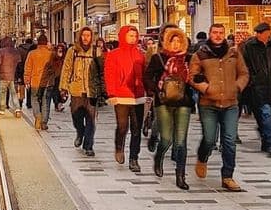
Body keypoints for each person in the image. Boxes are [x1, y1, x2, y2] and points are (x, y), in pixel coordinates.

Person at [189, 23, 249, 191]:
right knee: (209, 139)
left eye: (220, 32)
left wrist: (237, 87)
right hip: (208, 103)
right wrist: (205, 88)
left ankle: (228, 176)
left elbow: (244, 73)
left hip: (230, 103)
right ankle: (202, 157)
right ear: (209, 34)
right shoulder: (200, 54)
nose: (217, 35)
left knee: (229, 141)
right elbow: (192, 76)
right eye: (214, 32)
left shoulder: (234, 53)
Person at [143, 26, 192, 190]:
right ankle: (159, 156)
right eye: (173, 41)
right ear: (167, 42)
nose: (177, 44)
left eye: (179, 41)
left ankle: (180, 175)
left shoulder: (188, 59)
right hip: (163, 102)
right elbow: (148, 77)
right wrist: (157, 90)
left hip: (183, 102)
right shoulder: (159, 58)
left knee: (181, 141)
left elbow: (197, 76)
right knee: (166, 139)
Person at [239, 22, 271, 158]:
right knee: (266, 114)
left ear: (267, 33)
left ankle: (265, 139)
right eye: (257, 33)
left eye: (260, 33)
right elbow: (244, 65)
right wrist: (252, 80)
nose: (258, 35)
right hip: (258, 88)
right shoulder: (250, 46)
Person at [104, 25, 147, 173]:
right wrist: (111, 93)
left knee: (136, 129)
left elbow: (145, 74)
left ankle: (134, 158)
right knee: (123, 126)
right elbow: (109, 74)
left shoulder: (140, 54)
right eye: (130, 36)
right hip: (121, 96)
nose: (133, 38)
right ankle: (119, 147)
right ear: (123, 36)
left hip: (138, 96)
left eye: (135, 36)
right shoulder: (114, 55)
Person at [60, 27, 104, 157]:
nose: (85, 38)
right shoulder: (72, 51)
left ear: (92, 37)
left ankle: (88, 145)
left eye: (88, 35)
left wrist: (103, 89)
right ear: (80, 37)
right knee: (76, 117)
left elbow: (102, 71)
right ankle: (80, 132)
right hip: (77, 89)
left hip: (91, 90)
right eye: (83, 35)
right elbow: (67, 69)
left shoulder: (96, 51)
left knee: (91, 119)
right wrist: (63, 87)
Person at [23, 34, 54, 130]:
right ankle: (44, 122)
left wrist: (27, 80)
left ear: (37, 43)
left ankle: (38, 116)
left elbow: (28, 68)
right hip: (48, 82)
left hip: (35, 81)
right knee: (46, 101)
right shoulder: (51, 54)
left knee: (35, 99)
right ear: (46, 42)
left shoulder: (32, 54)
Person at [0, 37, 20, 115]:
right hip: (13, 75)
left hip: (3, 75)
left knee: (3, 92)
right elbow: (19, 62)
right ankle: (17, 109)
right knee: (14, 93)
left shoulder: (1, 51)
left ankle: (2, 109)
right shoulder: (15, 51)